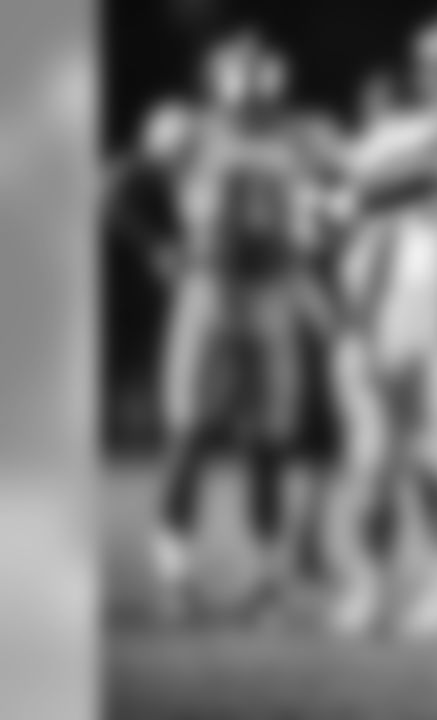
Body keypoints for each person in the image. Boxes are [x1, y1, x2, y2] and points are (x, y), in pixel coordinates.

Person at [111, 31, 342, 621]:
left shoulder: (301, 135)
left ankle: (268, 579)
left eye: (259, 71)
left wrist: (321, 237)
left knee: (270, 442)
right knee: (190, 433)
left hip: (274, 291)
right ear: (218, 78)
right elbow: (118, 189)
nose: (253, 87)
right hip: (209, 289)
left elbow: (342, 193)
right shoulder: (191, 130)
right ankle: (175, 575)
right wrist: (157, 247)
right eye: (242, 72)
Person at [323, 10, 437, 637]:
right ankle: (370, 585)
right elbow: (344, 220)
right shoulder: (391, 135)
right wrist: (350, 316)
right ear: (423, 71)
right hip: (384, 313)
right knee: (372, 462)